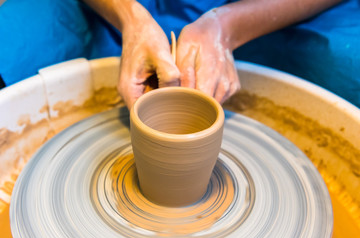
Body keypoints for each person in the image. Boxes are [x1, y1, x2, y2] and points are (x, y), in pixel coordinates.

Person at [0, 0, 359, 108]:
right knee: (15, 38)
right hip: (124, 7)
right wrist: (130, 19)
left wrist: (225, 26)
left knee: (348, 64)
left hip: (260, 9)